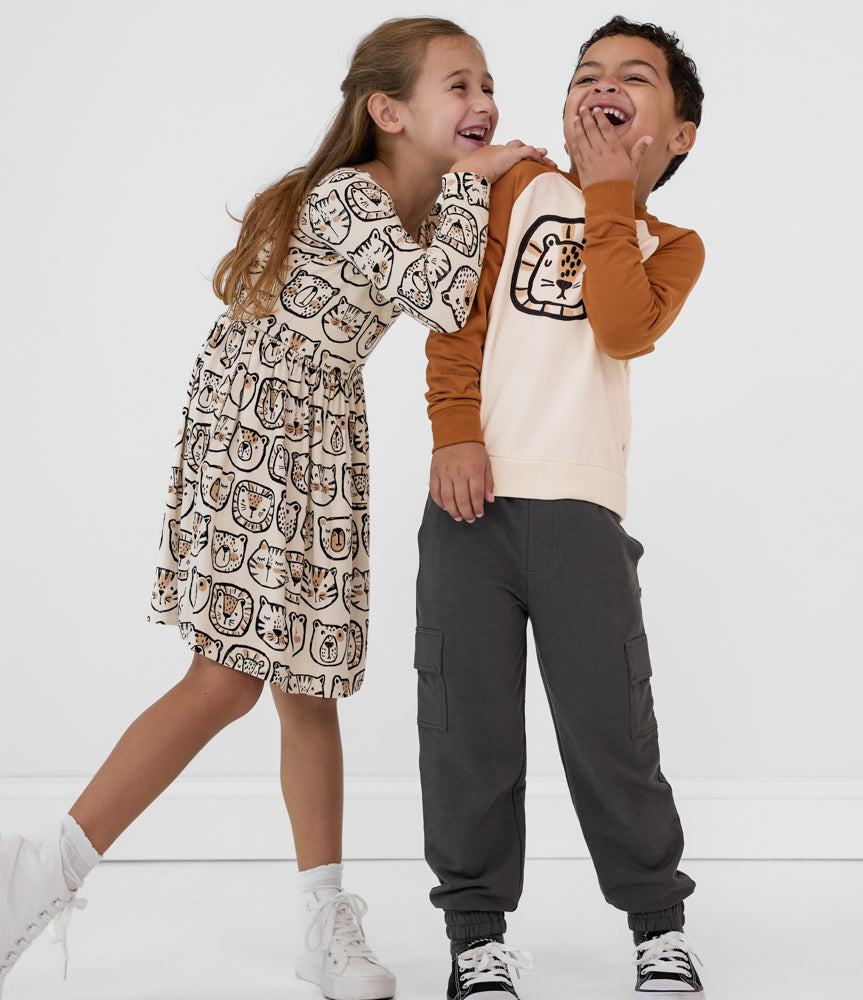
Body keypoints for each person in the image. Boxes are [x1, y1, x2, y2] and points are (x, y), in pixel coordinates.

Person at [0, 16, 550, 1000]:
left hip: (322, 428)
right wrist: (481, 181)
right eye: (457, 86)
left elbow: (466, 292)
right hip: (257, 416)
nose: (483, 104)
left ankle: (320, 921)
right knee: (227, 677)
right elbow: (440, 298)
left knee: (308, 682)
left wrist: (494, 189)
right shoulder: (352, 195)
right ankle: (41, 871)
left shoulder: (425, 206)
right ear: (387, 111)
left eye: (488, 85)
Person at [415, 15, 706, 999]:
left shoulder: (672, 243)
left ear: (678, 134)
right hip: (471, 505)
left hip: (580, 510)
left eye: (634, 76)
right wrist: (454, 430)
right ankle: (474, 936)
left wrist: (611, 190)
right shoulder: (516, 189)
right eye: (588, 71)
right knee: (467, 727)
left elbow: (619, 327)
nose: (604, 81)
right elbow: (455, 316)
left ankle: (656, 927)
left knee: (610, 727)